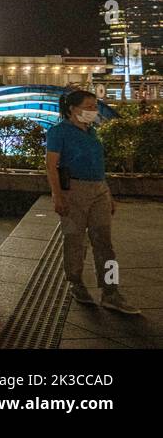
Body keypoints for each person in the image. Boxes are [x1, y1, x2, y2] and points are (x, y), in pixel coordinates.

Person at [46, 90, 140, 314]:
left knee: (105, 244)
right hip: (74, 191)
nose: (93, 111)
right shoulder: (58, 132)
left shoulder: (93, 131)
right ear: (72, 108)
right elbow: (51, 166)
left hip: (99, 190)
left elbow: (98, 165)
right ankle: (76, 283)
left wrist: (107, 193)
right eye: (88, 107)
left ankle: (111, 291)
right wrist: (57, 196)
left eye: (94, 107)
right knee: (75, 241)